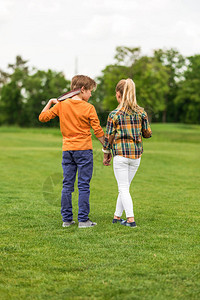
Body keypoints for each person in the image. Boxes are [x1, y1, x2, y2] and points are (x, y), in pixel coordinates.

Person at [39, 75, 104, 228]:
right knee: (83, 185)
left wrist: (50, 102)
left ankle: (67, 220)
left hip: (67, 150)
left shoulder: (62, 105)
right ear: (83, 89)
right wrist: (107, 147)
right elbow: (98, 131)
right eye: (90, 92)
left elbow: (42, 117)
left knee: (67, 185)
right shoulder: (89, 108)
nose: (90, 95)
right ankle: (83, 221)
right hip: (84, 150)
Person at [102, 78, 152, 228]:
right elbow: (148, 134)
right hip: (136, 155)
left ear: (118, 94)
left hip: (121, 155)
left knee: (123, 187)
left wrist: (106, 153)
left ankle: (130, 219)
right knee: (125, 187)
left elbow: (109, 136)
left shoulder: (114, 114)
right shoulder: (141, 113)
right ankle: (117, 217)